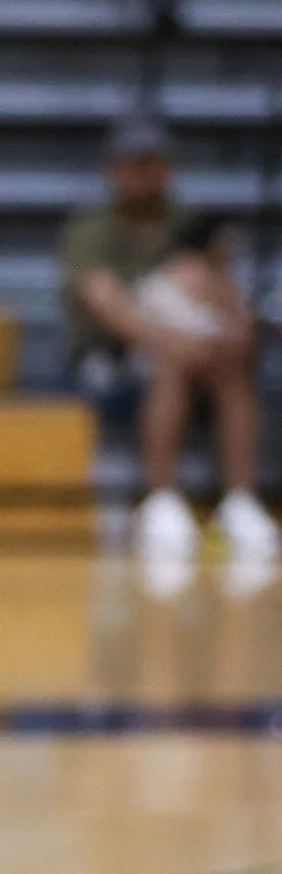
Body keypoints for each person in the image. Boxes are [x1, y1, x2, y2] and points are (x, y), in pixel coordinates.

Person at [61, 118, 279, 565]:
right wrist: (171, 341)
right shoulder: (91, 231)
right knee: (170, 367)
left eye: (153, 164)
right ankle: (161, 498)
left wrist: (230, 329)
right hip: (116, 355)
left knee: (233, 368)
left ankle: (241, 500)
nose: (143, 175)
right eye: (133, 165)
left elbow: (229, 301)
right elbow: (109, 306)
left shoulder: (196, 226)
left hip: (200, 345)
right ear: (113, 172)